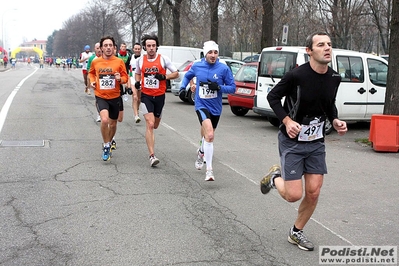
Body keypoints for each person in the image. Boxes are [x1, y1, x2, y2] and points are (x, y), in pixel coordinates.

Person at [260, 32, 348, 251]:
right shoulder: (296, 76)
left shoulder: (334, 77)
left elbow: (328, 104)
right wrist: (287, 120)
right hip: (292, 140)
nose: (327, 48)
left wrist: (335, 120)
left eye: (329, 44)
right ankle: (274, 178)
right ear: (309, 51)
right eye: (321, 45)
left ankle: (296, 232)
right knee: (293, 195)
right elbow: (273, 97)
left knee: (314, 191)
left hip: (316, 140)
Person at [179, 40, 236, 181]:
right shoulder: (197, 65)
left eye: (215, 52)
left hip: (216, 107)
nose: (213, 55)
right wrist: (182, 87)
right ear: (205, 53)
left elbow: (233, 88)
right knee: (209, 135)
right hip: (201, 104)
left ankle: (201, 152)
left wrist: (219, 88)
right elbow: (187, 75)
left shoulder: (223, 68)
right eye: (210, 52)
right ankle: (209, 170)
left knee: (208, 135)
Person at [134, 34, 178, 167]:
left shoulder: (163, 59)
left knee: (156, 124)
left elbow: (176, 73)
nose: (151, 48)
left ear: (156, 46)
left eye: (153, 46)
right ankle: (152, 155)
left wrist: (164, 76)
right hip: (146, 96)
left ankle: (157, 119)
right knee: (150, 124)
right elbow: (137, 73)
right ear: (144, 47)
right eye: (148, 46)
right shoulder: (140, 60)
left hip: (160, 96)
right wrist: (137, 83)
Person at [88, 36, 128, 161]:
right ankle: (106, 145)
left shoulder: (119, 62)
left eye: (110, 45)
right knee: (104, 120)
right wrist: (93, 81)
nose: (108, 47)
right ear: (101, 48)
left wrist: (119, 79)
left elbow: (125, 78)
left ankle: (109, 142)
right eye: (105, 45)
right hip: (101, 96)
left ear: (114, 47)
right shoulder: (96, 61)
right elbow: (91, 73)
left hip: (115, 96)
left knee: (113, 123)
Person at [87, 42, 102, 122]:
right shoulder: (92, 58)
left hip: (104, 81)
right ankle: (98, 114)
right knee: (98, 98)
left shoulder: (106, 57)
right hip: (96, 82)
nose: (99, 50)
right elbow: (89, 69)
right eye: (97, 48)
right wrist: (92, 80)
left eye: (100, 48)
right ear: (95, 49)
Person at [130, 42, 142, 123]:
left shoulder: (144, 58)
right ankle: (136, 115)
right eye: (136, 49)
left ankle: (137, 108)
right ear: (133, 49)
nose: (137, 50)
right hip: (132, 78)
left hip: (140, 79)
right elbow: (127, 69)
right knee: (135, 97)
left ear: (141, 49)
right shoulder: (130, 57)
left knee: (139, 98)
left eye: (138, 49)